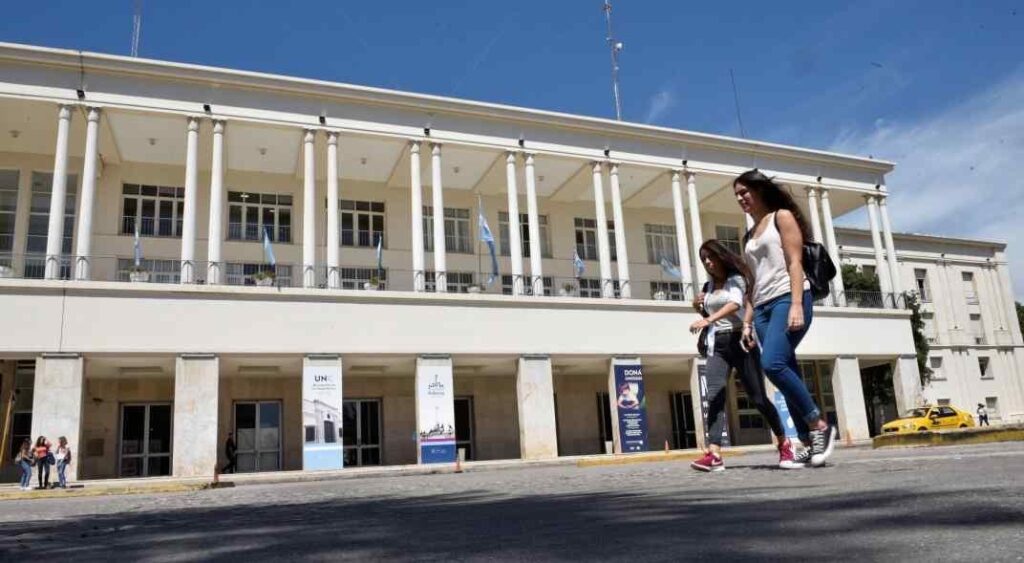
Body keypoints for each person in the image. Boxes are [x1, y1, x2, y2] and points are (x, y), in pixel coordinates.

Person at [734, 169, 838, 468]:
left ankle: (819, 425)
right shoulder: (749, 235)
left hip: (787, 298)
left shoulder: (782, 217)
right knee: (785, 368)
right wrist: (748, 322)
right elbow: (754, 283)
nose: (741, 198)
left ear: (759, 190)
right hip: (763, 307)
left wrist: (795, 304)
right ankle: (806, 445)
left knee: (773, 364)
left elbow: (795, 262)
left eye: (745, 192)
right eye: (737, 195)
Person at [689, 240, 796, 472]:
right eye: (704, 259)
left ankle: (783, 442)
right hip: (717, 345)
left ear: (720, 257)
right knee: (715, 396)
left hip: (741, 342)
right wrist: (698, 306)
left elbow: (735, 304)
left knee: (758, 398)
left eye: (710, 257)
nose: (708, 262)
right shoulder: (708, 287)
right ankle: (714, 453)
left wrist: (707, 318)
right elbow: (709, 311)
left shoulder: (735, 279)